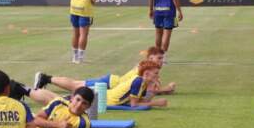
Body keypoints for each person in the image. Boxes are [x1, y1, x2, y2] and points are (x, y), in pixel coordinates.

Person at [32, 46, 175, 96]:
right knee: (76, 86)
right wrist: (165, 89)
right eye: (159, 58)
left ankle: (47, 79)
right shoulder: (147, 69)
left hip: (113, 83)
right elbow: (150, 91)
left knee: (77, 85)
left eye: (162, 58)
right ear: (150, 58)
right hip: (111, 84)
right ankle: (46, 78)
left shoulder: (148, 68)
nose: (161, 61)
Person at [68, 0, 97, 64]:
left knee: (75, 33)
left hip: (73, 7)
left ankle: (74, 57)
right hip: (84, 7)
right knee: (83, 34)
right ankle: (80, 58)